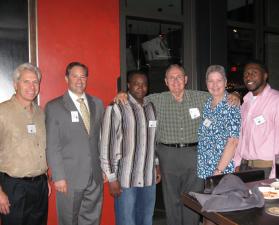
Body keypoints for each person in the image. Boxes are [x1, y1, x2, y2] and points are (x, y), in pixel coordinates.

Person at [115, 64, 240, 225]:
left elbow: (221, 94)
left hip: (195, 156)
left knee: (192, 199)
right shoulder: (156, 99)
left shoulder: (202, 97)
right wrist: (123, 94)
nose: (176, 81)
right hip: (168, 155)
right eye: (171, 78)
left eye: (179, 77)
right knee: (171, 200)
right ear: (166, 81)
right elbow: (136, 97)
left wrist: (236, 94)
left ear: (186, 79)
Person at [45, 62, 104, 225]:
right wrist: (58, 176)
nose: (80, 80)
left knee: (93, 219)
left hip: (95, 176)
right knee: (68, 220)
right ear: (66, 78)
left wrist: (103, 168)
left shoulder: (97, 104)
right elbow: (52, 145)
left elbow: (100, 139)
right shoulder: (54, 107)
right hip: (69, 179)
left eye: (83, 76)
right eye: (75, 76)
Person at [100, 71, 161, 225]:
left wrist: (156, 165)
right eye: (136, 83)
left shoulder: (151, 107)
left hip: (148, 178)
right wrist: (111, 178)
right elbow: (106, 144)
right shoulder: (116, 107)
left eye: (144, 84)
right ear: (128, 85)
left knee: (146, 220)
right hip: (125, 179)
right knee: (126, 221)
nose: (141, 87)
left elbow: (152, 141)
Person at [0, 63, 49, 225]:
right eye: (26, 81)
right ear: (15, 84)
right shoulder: (2, 112)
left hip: (40, 186)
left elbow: (41, 149)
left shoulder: (40, 113)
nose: (32, 86)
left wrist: (45, 180)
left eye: (35, 82)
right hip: (13, 187)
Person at [234, 60, 279, 179]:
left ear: (265, 76)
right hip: (244, 167)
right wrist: (237, 163)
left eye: (254, 72)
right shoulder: (245, 103)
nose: (249, 76)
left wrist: (276, 176)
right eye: (246, 74)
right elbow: (241, 136)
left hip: (266, 170)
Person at [197, 65, 240, 179]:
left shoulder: (231, 105)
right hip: (206, 167)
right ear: (206, 83)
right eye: (211, 81)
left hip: (222, 170)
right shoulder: (207, 103)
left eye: (219, 80)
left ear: (225, 82)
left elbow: (233, 141)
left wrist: (219, 170)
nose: (215, 85)